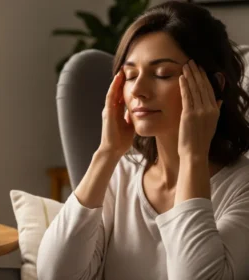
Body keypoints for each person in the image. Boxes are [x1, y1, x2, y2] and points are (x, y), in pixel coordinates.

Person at [37, 1, 249, 280]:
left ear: (214, 85)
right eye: (130, 75)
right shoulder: (120, 174)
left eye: (162, 74)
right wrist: (107, 153)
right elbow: (55, 275)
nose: (137, 89)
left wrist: (192, 156)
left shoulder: (241, 188)